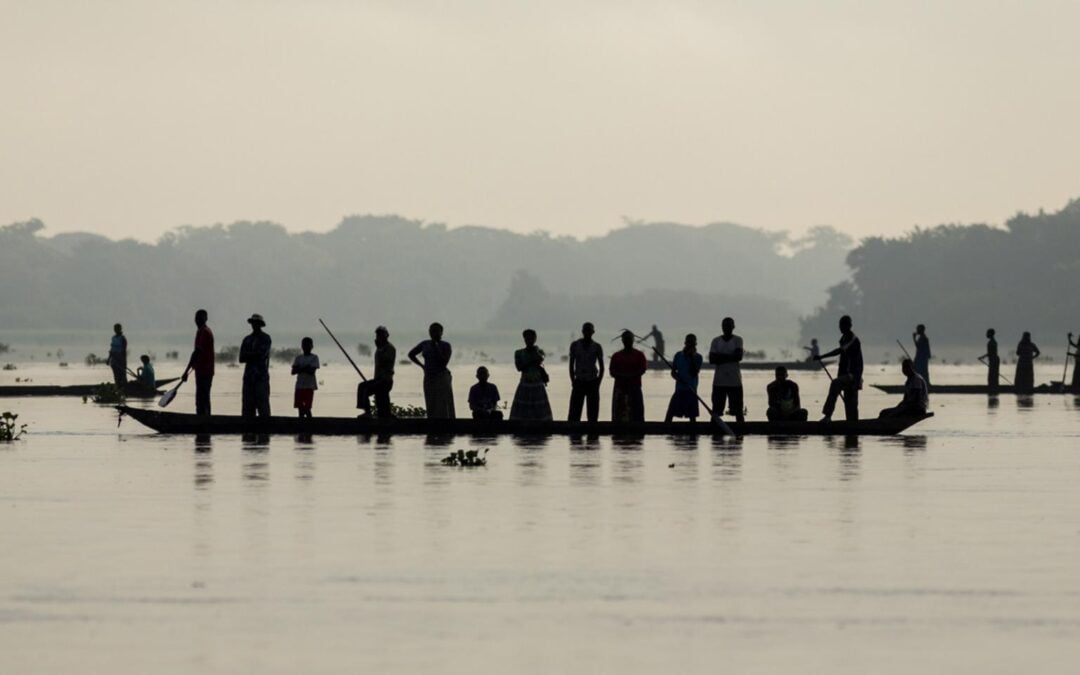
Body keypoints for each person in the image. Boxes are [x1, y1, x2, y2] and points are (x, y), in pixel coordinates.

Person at [815, 314, 863, 421]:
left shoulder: (853, 339)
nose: (840, 328)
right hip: (844, 375)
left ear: (849, 326)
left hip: (853, 376)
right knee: (849, 403)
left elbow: (839, 351)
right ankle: (851, 429)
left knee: (836, 385)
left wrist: (822, 356)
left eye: (842, 325)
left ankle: (828, 415)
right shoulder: (843, 339)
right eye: (840, 325)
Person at [408, 322, 455, 418]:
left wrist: (437, 347)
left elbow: (444, 362)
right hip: (429, 376)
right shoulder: (425, 344)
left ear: (441, 333)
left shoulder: (446, 345)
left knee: (443, 403)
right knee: (431, 402)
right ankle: (432, 425)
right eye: (431, 331)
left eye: (436, 331)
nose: (434, 333)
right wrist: (422, 366)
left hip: (441, 377)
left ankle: (446, 425)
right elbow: (411, 354)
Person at [510, 329, 553, 420]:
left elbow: (540, 359)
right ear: (524, 339)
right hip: (525, 384)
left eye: (532, 338)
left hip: (537, 384)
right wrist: (531, 360)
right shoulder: (518, 353)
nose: (530, 340)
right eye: (527, 338)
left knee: (540, 412)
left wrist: (534, 352)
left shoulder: (539, 351)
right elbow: (519, 367)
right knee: (521, 412)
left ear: (535, 339)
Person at [709, 317, 745, 423]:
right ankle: (714, 433)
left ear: (733, 327)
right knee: (716, 410)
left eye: (729, 325)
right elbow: (712, 359)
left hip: (735, 382)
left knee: (738, 411)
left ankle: (741, 433)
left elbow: (738, 357)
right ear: (722, 327)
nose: (727, 328)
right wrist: (730, 356)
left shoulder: (738, 340)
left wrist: (720, 357)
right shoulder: (716, 341)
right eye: (725, 325)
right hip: (719, 382)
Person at [568, 322, 604, 423]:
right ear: (582, 331)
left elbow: (602, 367)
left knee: (593, 413)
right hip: (579, 380)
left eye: (589, 330)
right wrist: (573, 380)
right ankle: (574, 435)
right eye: (586, 330)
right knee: (574, 413)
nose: (587, 332)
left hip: (592, 381)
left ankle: (592, 434)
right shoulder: (575, 345)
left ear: (593, 332)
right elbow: (571, 365)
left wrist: (598, 382)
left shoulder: (597, 347)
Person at [181, 309, 215, 415]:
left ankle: (204, 421)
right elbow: (197, 353)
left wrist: (186, 371)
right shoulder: (200, 332)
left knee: (203, 399)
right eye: (196, 318)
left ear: (206, 319)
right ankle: (203, 420)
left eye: (200, 318)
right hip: (201, 371)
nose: (198, 320)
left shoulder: (205, 332)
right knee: (201, 399)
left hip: (205, 371)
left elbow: (196, 352)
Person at [238, 313, 272, 419]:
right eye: (253, 323)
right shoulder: (247, 339)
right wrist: (253, 355)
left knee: (263, 408)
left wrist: (250, 355)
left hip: (261, 377)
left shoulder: (266, 338)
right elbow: (241, 358)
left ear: (260, 324)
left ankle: (264, 433)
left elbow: (261, 355)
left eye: (256, 323)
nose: (254, 325)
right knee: (247, 409)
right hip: (249, 378)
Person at [357, 326, 395, 418]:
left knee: (364, 387)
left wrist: (379, 349)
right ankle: (378, 415)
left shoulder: (389, 348)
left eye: (380, 335)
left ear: (385, 336)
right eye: (377, 335)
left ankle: (368, 413)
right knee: (381, 403)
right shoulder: (380, 348)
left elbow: (386, 361)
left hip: (385, 381)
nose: (378, 337)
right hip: (378, 379)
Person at [610, 330, 647, 422]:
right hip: (620, 389)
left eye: (629, 339)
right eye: (626, 339)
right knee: (619, 416)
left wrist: (630, 376)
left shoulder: (640, 355)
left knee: (637, 415)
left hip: (635, 388)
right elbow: (612, 371)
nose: (627, 341)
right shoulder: (616, 356)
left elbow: (642, 369)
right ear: (622, 341)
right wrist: (624, 376)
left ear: (633, 340)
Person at [664, 334, 702, 423]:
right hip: (679, 390)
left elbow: (694, 373)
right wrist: (678, 378)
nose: (690, 345)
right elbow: (673, 372)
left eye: (692, 343)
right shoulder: (678, 355)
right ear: (685, 343)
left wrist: (691, 357)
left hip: (691, 390)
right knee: (670, 413)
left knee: (692, 417)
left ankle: (693, 433)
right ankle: (666, 428)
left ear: (695, 344)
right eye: (688, 343)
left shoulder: (698, 357)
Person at [291, 337, 319, 419]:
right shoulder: (298, 358)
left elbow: (312, 371)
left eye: (308, 345)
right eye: (304, 345)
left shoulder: (314, 357)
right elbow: (293, 371)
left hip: (309, 386)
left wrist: (300, 368)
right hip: (299, 386)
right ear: (302, 346)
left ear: (311, 346)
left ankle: (309, 425)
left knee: (307, 408)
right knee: (300, 408)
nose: (306, 347)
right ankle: (302, 426)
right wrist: (305, 368)